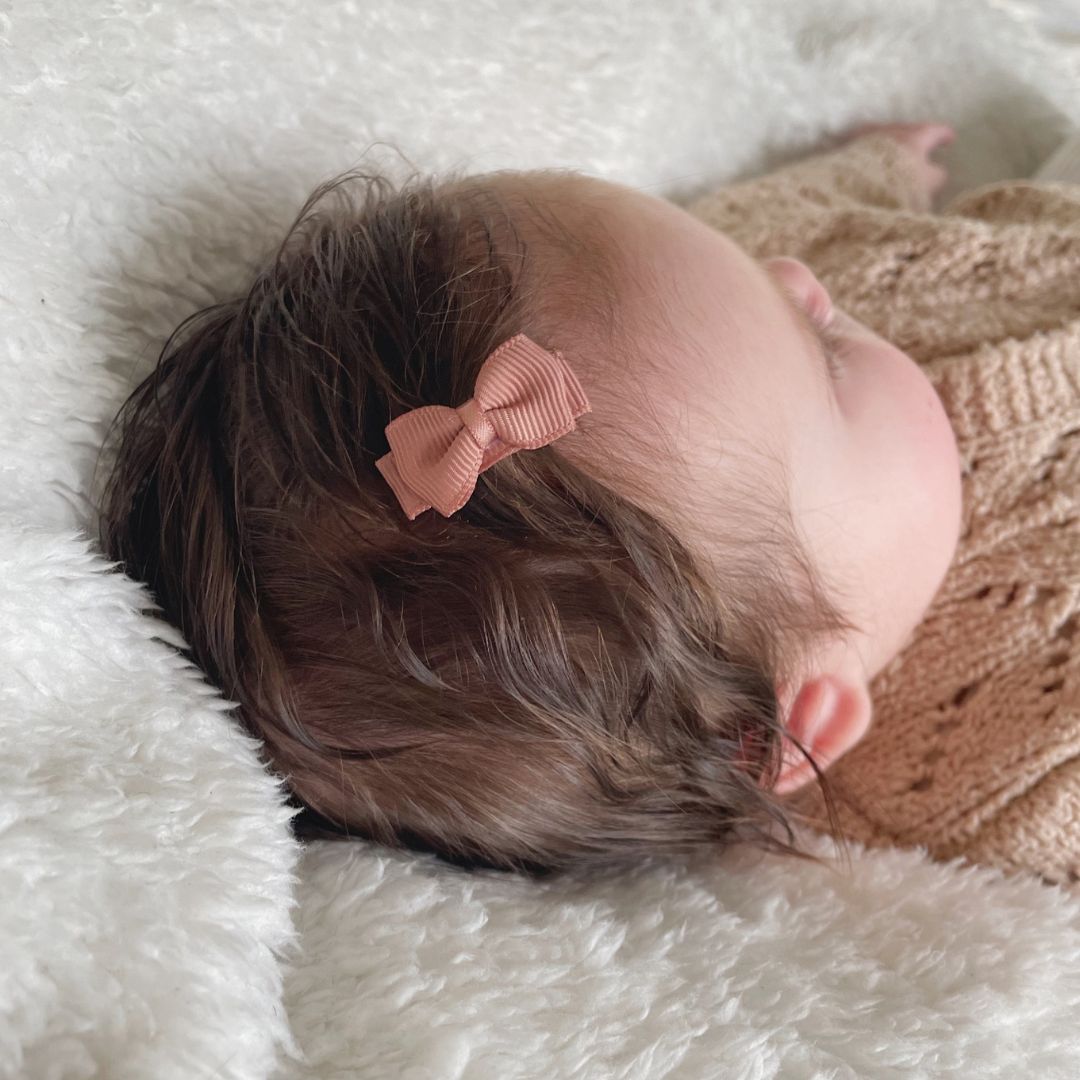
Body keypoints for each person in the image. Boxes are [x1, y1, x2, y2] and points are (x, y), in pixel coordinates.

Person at [94, 120, 1080, 882]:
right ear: (790, 728)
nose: (803, 281)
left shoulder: (718, 318)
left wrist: (876, 168)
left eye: (755, 277)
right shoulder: (1019, 759)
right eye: (821, 357)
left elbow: (791, 219)